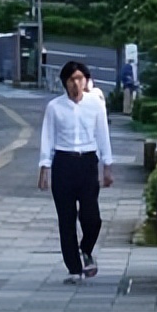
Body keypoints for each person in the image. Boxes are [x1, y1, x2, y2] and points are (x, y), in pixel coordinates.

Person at [38, 61, 114, 284]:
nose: (76, 83)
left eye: (80, 78)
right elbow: (47, 136)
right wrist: (44, 167)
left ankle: (86, 248)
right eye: (72, 79)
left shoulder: (95, 104)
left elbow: (103, 134)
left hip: (88, 162)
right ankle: (74, 268)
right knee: (66, 219)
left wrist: (107, 166)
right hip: (63, 162)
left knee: (92, 217)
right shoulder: (55, 107)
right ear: (65, 82)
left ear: (86, 81)